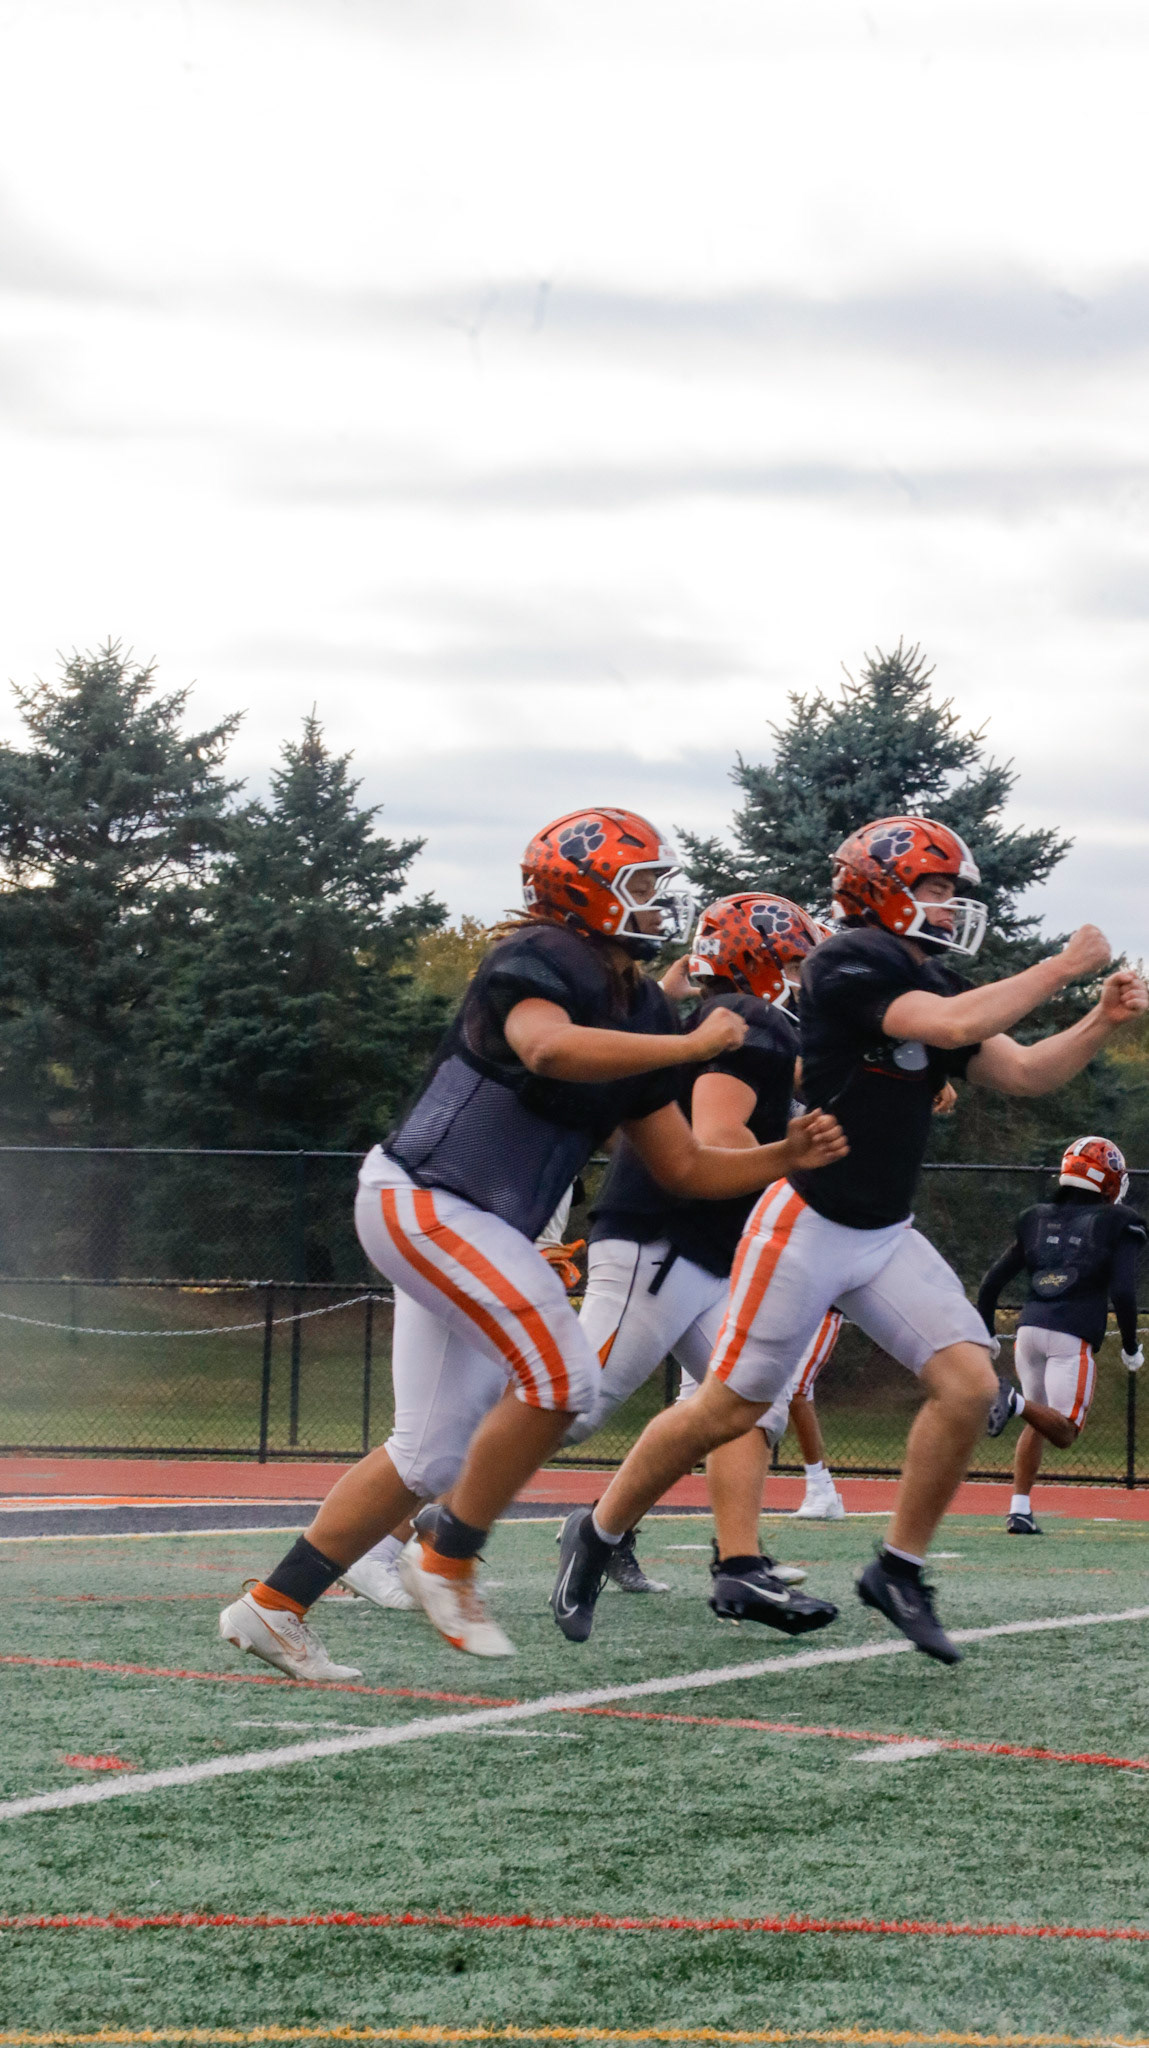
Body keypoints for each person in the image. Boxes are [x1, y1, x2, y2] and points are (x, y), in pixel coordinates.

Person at [220, 807, 846, 1678]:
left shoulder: (642, 1008)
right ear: (581, 888)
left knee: (429, 1452)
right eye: (639, 883)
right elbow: (545, 1048)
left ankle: (274, 1604)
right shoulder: (543, 954)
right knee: (562, 1381)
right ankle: (447, 1558)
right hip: (428, 1196)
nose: (656, 901)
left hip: (469, 1220)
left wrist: (785, 1155)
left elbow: (681, 1166)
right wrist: (694, 1042)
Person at [551, 815, 1147, 1664]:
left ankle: (897, 1570)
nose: (947, 906)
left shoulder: (927, 976)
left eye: (948, 891)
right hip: (806, 1223)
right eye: (934, 888)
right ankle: (599, 1528)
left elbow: (1019, 1072)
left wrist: (1097, 1021)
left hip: (882, 1231)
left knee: (969, 1386)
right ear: (880, 888)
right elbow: (946, 1027)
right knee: (727, 1406)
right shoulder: (847, 960)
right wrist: (1059, 965)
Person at [568, 891, 839, 1630]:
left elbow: (776, 1086)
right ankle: (406, 1521)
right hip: (662, 1241)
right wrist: (798, 1174)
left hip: (702, 1250)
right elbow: (720, 1135)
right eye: (793, 962)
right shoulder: (749, 1019)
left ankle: (739, 1567)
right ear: (759, 961)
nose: (803, 978)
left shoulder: (749, 1026)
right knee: (569, 1410)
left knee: (751, 1396)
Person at [977, 1135, 1145, 1532]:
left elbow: (991, 1283)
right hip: (1071, 1335)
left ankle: (1019, 1509)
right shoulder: (1121, 1221)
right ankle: (1012, 1401)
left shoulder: (1037, 1217)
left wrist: (987, 1332)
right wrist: (1131, 1347)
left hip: (1029, 1332)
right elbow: (1123, 1292)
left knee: (1039, 1418)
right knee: (1065, 1431)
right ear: (1107, 1179)